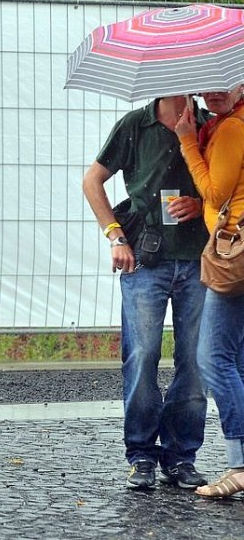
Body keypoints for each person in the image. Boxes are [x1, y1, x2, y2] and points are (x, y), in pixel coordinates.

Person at [83, 95, 210, 490]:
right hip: (144, 260)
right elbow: (92, 181)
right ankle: (140, 455)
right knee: (142, 356)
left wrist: (202, 201)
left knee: (195, 362)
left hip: (201, 261)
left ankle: (181, 456)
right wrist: (115, 236)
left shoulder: (213, 124)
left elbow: (232, 185)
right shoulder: (135, 125)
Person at [176, 86, 244, 498]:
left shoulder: (233, 128)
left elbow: (217, 193)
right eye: (208, 88)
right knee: (236, 360)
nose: (214, 93)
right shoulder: (227, 126)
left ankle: (239, 465)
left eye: (226, 84)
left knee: (212, 359)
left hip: (233, 256)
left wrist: (186, 140)